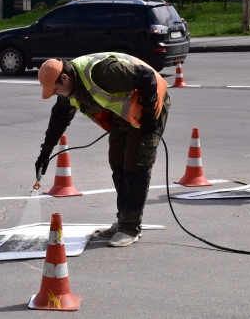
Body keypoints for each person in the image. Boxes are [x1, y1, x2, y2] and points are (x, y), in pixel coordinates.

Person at [35, 53, 171, 247]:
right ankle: (124, 219)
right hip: (125, 114)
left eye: (55, 89)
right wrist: (45, 153)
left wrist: (149, 115)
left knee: (136, 165)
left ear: (64, 77)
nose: (55, 93)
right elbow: (59, 119)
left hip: (151, 104)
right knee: (117, 162)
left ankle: (130, 228)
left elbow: (147, 76)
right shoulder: (69, 90)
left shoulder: (101, 73)